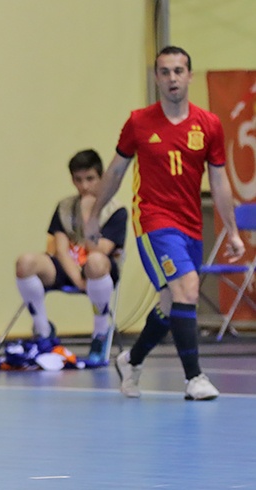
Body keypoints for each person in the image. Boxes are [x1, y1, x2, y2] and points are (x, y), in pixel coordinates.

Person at [84, 46, 245, 400]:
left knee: (173, 303)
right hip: (153, 220)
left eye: (178, 71)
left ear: (189, 76)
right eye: (165, 72)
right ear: (156, 78)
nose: (172, 78)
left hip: (190, 225)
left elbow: (218, 181)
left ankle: (132, 360)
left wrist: (232, 230)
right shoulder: (139, 122)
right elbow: (115, 171)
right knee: (186, 287)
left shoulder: (209, 125)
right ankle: (195, 378)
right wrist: (94, 215)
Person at [14, 149, 127, 365]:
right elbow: (61, 249)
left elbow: (99, 250)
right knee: (25, 262)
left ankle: (99, 334)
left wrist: (89, 216)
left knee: (94, 263)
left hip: (99, 272)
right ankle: (44, 330)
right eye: (78, 180)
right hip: (69, 270)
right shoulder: (64, 207)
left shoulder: (116, 210)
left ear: (101, 178)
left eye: (90, 179)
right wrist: (77, 280)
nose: (84, 186)